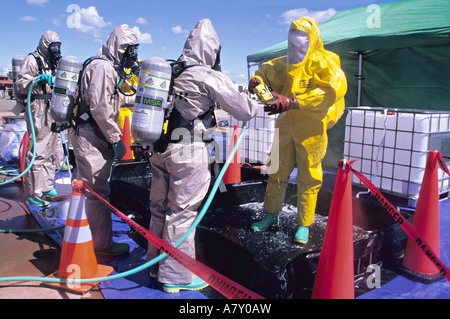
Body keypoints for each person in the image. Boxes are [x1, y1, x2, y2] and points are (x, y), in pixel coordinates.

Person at [145, 19, 259, 293]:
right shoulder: (208, 75)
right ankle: (176, 275)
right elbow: (244, 111)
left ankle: (153, 262)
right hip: (187, 150)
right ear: (212, 51)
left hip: (159, 148)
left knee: (159, 208)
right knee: (182, 212)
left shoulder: (172, 70)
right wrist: (256, 99)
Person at [249, 17, 347, 244]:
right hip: (285, 127)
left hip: (311, 131)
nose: (296, 44)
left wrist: (292, 102)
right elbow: (264, 72)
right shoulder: (284, 63)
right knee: (277, 173)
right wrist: (258, 83)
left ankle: (304, 224)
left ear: (312, 39)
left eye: (301, 38)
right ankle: (271, 215)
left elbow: (332, 90)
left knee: (309, 177)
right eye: (292, 39)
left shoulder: (324, 62)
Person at [72, 24, 139, 255]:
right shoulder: (102, 68)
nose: (134, 55)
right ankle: (101, 245)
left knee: (85, 188)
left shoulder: (105, 66)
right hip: (93, 137)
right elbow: (101, 108)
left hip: (89, 135)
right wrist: (116, 139)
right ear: (121, 48)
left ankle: (82, 237)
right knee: (97, 192)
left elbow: (115, 99)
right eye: (131, 50)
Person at [15, 30, 64, 207]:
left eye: (58, 46)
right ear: (45, 44)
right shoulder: (32, 60)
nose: (55, 49)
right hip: (38, 108)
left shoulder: (54, 62)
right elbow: (20, 84)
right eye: (53, 46)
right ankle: (33, 191)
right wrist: (36, 80)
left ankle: (46, 185)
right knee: (38, 149)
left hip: (53, 108)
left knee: (52, 150)